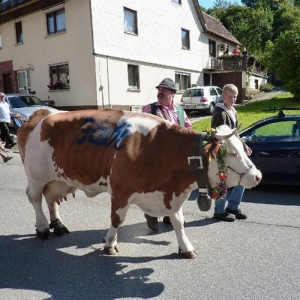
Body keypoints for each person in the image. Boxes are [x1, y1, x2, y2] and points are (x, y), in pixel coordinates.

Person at [142, 78, 192, 231]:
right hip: (156, 157)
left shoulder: (180, 111)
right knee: (154, 188)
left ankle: (170, 215)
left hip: (176, 158)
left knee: (173, 187)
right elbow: (142, 132)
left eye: (164, 90)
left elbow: (189, 128)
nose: (160, 92)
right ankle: (151, 214)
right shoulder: (150, 109)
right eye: (159, 89)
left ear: (172, 94)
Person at [211, 84, 252, 222]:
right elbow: (218, 136)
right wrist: (227, 151)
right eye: (230, 97)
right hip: (223, 153)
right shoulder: (220, 113)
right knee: (222, 180)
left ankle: (233, 206)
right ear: (223, 97)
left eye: (235, 96)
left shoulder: (233, 111)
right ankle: (219, 210)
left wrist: (244, 146)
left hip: (234, 152)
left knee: (243, 174)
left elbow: (235, 134)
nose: (233, 99)